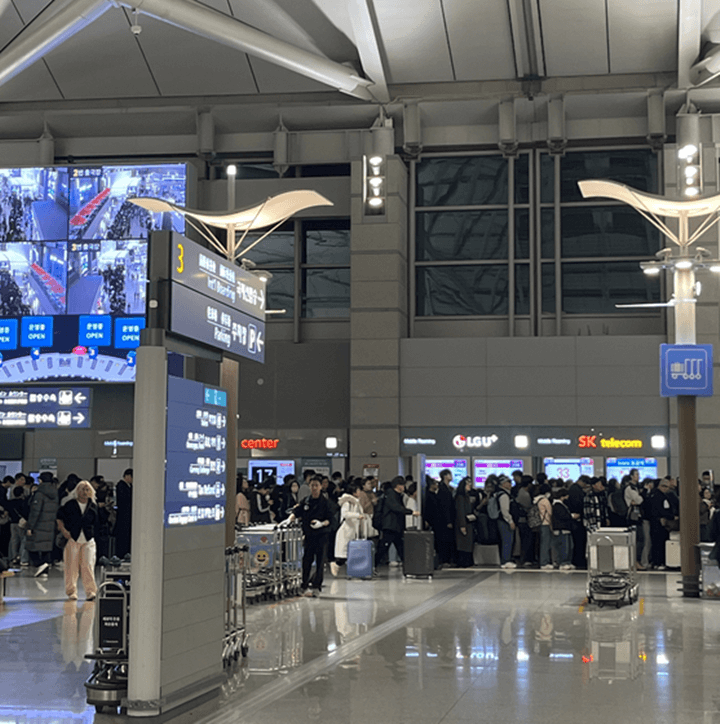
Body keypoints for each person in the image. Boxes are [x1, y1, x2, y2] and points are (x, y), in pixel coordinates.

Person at [287, 477, 333, 597]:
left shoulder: (326, 502)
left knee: (320, 562)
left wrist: (322, 523)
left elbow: (331, 519)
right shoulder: (306, 501)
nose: (314, 488)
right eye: (312, 485)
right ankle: (304, 585)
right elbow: (296, 511)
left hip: (322, 536)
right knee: (306, 561)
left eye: (316, 485)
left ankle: (317, 586)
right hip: (308, 536)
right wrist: (289, 519)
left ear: (321, 487)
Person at [56, 481, 99, 601]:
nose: (84, 492)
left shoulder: (93, 506)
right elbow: (59, 517)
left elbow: (97, 523)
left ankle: (90, 591)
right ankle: (71, 592)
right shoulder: (70, 505)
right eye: (82, 489)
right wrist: (64, 531)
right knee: (71, 566)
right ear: (77, 491)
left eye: (87, 490)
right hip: (72, 538)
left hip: (88, 539)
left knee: (88, 565)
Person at [375, 476, 419, 568]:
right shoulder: (391, 495)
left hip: (395, 526)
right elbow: (396, 508)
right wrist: (411, 512)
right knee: (384, 547)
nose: (404, 487)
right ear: (398, 486)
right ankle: (373, 565)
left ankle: (409, 567)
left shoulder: (395, 495)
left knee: (399, 547)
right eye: (402, 485)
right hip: (391, 525)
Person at [25, 471, 59, 576]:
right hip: (49, 525)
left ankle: (40, 564)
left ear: (40, 480)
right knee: (45, 547)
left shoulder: (39, 493)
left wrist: (30, 526)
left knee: (31, 547)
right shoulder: (55, 493)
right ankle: (44, 569)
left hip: (39, 525)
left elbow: (35, 511)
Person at [330, 482, 367, 576]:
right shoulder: (348, 502)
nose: (360, 492)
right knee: (344, 554)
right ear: (353, 492)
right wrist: (358, 515)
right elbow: (345, 514)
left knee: (350, 553)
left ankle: (353, 572)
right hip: (346, 530)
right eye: (358, 490)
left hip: (351, 531)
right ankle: (335, 564)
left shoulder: (355, 502)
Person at [649, 479, 675, 569]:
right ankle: (658, 562)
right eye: (664, 486)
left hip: (657, 522)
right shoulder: (658, 496)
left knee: (658, 543)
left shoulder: (658, 495)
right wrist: (671, 516)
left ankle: (657, 562)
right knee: (658, 543)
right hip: (658, 523)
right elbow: (660, 510)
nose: (666, 489)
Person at [435, 470, 456, 566]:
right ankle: (444, 560)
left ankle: (446, 559)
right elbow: (445, 506)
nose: (451, 476)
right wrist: (448, 520)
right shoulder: (442, 489)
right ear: (445, 476)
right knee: (445, 539)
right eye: (449, 475)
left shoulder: (448, 488)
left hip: (445, 519)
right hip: (443, 521)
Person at [495, 475, 516, 569]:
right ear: (503, 484)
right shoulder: (504, 495)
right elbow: (504, 510)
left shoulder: (499, 493)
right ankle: (505, 560)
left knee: (506, 540)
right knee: (507, 540)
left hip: (501, 520)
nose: (511, 484)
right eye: (509, 482)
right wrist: (510, 521)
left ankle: (505, 559)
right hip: (504, 521)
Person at [454, 477, 476, 568]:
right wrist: (462, 525)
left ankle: (467, 561)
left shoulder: (466, 496)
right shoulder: (460, 497)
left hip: (468, 522)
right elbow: (460, 511)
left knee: (467, 543)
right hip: (463, 523)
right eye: (468, 484)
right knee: (463, 543)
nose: (469, 486)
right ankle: (463, 562)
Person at [6, 485, 29, 566]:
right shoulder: (23, 502)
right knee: (23, 540)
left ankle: (13, 557)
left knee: (14, 540)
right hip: (21, 523)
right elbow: (26, 513)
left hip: (12, 523)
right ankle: (22, 557)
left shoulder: (10, 502)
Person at [551, 489, 574, 570]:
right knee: (564, 547)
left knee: (569, 547)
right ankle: (563, 562)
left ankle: (567, 561)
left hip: (564, 529)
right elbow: (563, 516)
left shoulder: (559, 505)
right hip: (561, 529)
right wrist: (572, 516)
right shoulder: (558, 505)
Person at [114, 468, 133, 558]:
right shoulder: (121, 486)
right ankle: (121, 556)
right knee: (122, 538)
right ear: (128, 476)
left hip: (127, 517)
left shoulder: (129, 486)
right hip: (123, 517)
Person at [535, 483, 553, 569]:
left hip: (540, 523)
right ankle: (544, 562)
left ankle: (543, 561)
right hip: (546, 523)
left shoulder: (537, 500)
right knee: (546, 543)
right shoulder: (545, 501)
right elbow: (550, 513)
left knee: (542, 543)